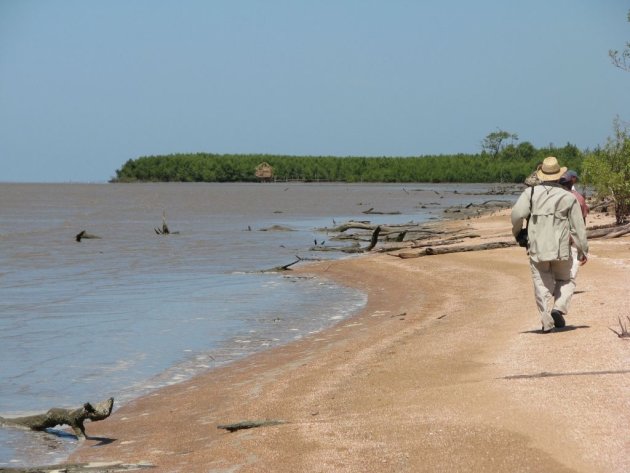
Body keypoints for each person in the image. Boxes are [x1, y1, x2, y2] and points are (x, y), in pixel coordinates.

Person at [511, 157, 589, 333]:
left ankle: (547, 321)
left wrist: (518, 233)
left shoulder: (530, 194)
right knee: (566, 279)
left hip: (537, 247)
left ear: (541, 175)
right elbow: (578, 227)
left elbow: (516, 215)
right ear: (559, 176)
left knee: (541, 283)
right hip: (561, 248)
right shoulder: (568, 197)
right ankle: (558, 308)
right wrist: (583, 250)